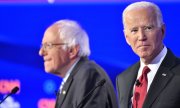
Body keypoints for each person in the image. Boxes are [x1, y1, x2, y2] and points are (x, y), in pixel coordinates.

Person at [39, 19, 118, 108]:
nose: (41, 52)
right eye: (42, 46)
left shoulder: (89, 75)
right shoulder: (76, 77)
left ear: (72, 51)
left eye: (48, 46)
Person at [116, 1, 180, 108]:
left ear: (162, 31)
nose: (141, 37)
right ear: (127, 38)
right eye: (134, 30)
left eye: (148, 28)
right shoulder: (123, 79)